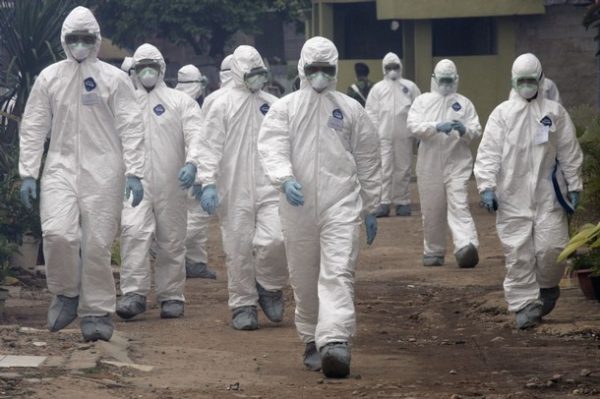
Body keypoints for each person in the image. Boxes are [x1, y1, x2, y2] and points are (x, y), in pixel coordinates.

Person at [18, 6, 145, 342]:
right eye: (73, 38)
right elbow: (33, 126)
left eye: (86, 38)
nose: (80, 44)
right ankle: (66, 292)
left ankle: (97, 312)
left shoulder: (113, 79)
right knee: (58, 233)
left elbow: (132, 127)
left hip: (105, 169)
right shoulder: (50, 78)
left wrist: (135, 172)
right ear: (64, 40)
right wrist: (29, 172)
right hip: (60, 166)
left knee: (97, 245)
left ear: (96, 39)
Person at [258, 36, 381, 379]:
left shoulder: (350, 109)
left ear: (335, 69)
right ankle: (312, 338)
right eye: (314, 69)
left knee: (338, 271)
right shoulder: (285, 108)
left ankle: (335, 341)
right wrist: (284, 179)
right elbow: (272, 146)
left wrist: (371, 206)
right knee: (304, 275)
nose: (320, 75)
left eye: (326, 69)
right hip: (297, 206)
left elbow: (369, 159)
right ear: (302, 68)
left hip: (339, 203)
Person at [474, 53, 583, 329]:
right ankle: (524, 304)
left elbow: (569, 151)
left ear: (540, 79)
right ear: (513, 80)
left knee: (553, 247)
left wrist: (574, 183)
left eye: (530, 80)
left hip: (548, 193)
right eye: (521, 81)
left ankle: (547, 287)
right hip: (511, 195)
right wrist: (486, 186)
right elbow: (488, 153)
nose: (526, 85)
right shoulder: (502, 114)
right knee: (518, 252)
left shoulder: (555, 112)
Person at [187, 45, 288, 331]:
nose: (257, 78)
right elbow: (209, 147)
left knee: (277, 239)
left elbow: (282, 144)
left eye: (260, 73)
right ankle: (243, 304)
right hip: (233, 189)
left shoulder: (272, 103)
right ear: (238, 73)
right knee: (238, 248)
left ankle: (268, 285)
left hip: (269, 186)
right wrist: (206, 182)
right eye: (251, 73)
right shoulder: (221, 104)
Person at [116, 44, 203, 321]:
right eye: (142, 67)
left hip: (171, 182)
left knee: (172, 239)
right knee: (133, 233)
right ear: (135, 70)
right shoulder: (125, 102)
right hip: (134, 182)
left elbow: (197, 135)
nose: (148, 72)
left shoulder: (180, 102)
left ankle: (172, 295)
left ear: (162, 68)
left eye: (152, 66)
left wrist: (192, 163)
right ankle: (134, 293)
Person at [407, 59, 481, 268]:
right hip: (429, 165)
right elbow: (413, 126)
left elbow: (476, 128)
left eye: (450, 80)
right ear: (434, 79)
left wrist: (464, 130)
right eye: (443, 80)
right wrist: (436, 126)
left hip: (457, 163)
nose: (446, 84)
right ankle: (434, 250)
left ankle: (466, 246)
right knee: (432, 209)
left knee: (459, 204)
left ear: (456, 80)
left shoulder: (464, 104)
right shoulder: (422, 102)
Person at [174, 64, 216, 280]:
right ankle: (169, 245)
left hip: (186, 166)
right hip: (191, 167)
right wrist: (201, 176)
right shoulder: (188, 104)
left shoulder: (184, 100)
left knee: (191, 212)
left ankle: (196, 262)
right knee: (198, 213)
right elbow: (198, 142)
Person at [366, 53, 420, 217]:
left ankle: (402, 202)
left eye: (395, 67)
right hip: (384, 136)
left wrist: (416, 133)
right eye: (389, 67)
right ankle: (384, 202)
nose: (392, 70)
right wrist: (374, 134)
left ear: (400, 67)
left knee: (403, 169)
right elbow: (371, 113)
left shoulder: (409, 87)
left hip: (404, 135)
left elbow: (418, 110)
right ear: (384, 69)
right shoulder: (378, 89)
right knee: (385, 169)